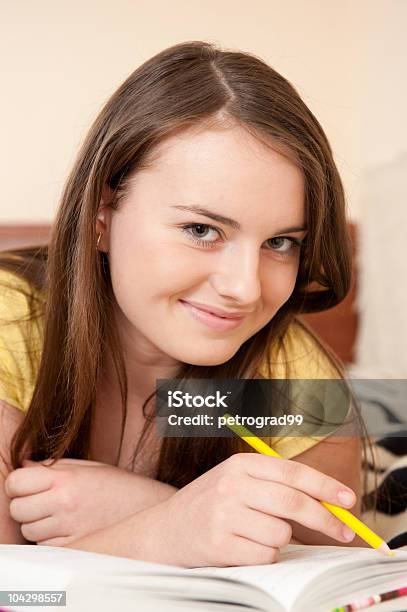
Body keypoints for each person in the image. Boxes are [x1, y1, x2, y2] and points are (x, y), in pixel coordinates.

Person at [0, 40, 376, 568]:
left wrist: (153, 514)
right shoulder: (11, 323)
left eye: (281, 242)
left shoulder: (289, 375)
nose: (245, 289)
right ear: (102, 213)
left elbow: (350, 576)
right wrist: (162, 533)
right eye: (202, 230)